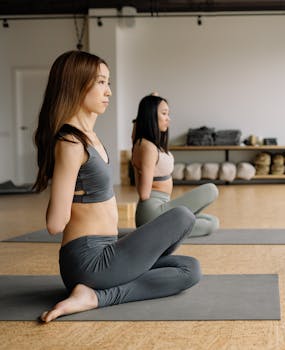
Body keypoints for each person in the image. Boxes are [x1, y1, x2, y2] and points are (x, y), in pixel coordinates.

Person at [33, 51, 201, 323]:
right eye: (100, 82)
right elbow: (55, 223)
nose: (108, 91)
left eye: (108, 82)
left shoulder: (90, 137)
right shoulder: (70, 143)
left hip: (110, 252)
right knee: (182, 216)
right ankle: (96, 296)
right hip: (90, 261)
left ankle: (95, 293)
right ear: (76, 84)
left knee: (189, 269)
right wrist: (69, 197)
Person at [131, 94, 219, 236]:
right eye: (164, 113)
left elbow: (135, 133)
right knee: (211, 189)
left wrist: (154, 98)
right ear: (151, 115)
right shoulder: (147, 147)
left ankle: (167, 231)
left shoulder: (147, 143)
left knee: (212, 222)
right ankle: (163, 230)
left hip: (162, 208)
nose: (168, 118)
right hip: (152, 213)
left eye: (168, 114)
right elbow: (143, 194)